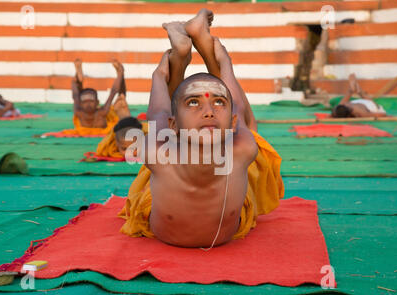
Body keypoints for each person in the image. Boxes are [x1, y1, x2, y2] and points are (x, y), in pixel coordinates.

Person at [118, 9, 283, 248]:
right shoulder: (158, 155)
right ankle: (186, 54)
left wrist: (226, 63)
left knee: (250, 131)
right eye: (194, 103)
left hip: (206, 150)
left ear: (232, 123)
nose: (209, 112)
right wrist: (158, 76)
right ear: (172, 127)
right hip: (175, 157)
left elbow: (235, 108)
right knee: (245, 125)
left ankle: (188, 52)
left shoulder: (242, 150)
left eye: (217, 103)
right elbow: (160, 115)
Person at [71, 58, 126, 128]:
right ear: (81, 104)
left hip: (111, 117)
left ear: (97, 102)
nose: (88, 104)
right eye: (85, 102)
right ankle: (78, 79)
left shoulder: (101, 112)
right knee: (78, 96)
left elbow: (113, 92)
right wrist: (74, 82)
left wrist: (120, 74)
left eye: (91, 101)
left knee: (121, 99)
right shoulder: (79, 112)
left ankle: (121, 74)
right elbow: (75, 96)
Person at [332, 72, 397, 118]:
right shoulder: (340, 108)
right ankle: (354, 91)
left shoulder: (361, 113)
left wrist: (389, 117)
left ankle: (353, 91)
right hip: (356, 103)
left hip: (367, 106)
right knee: (340, 105)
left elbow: (381, 115)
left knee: (375, 106)